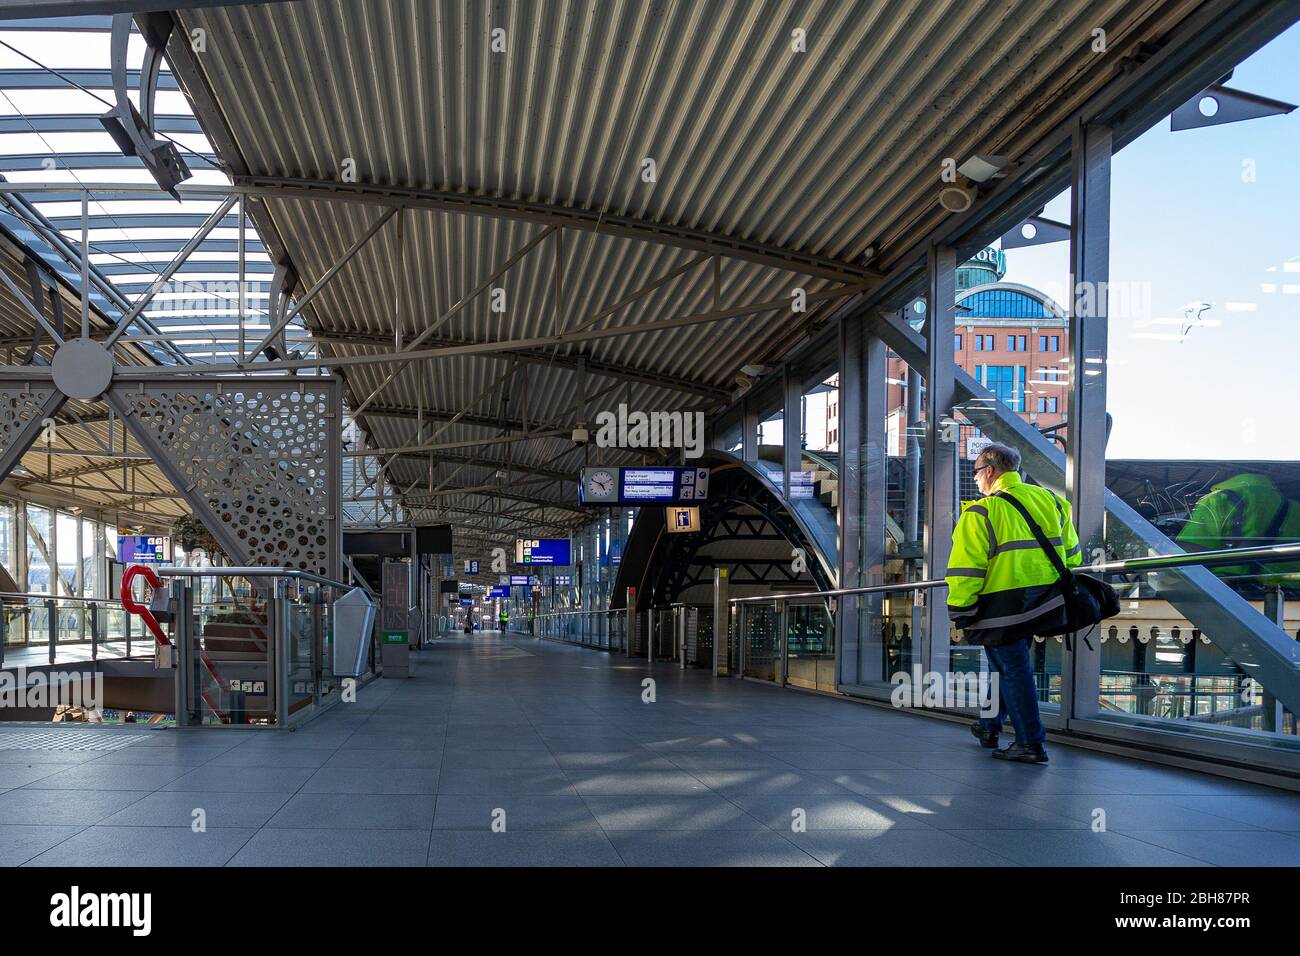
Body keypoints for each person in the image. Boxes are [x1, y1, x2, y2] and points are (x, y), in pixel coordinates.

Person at [945, 443, 1082, 764]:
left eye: (977, 472)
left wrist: (961, 609)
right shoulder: (1053, 501)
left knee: (1013, 668)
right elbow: (1074, 556)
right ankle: (990, 726)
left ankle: (1030, 743)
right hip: (1045, 601)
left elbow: (966, 569)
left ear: (990, 471)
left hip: (1001, 605)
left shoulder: (981, 511)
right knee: (1003, 665)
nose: (976, 480)